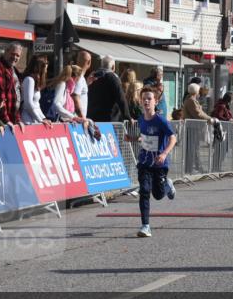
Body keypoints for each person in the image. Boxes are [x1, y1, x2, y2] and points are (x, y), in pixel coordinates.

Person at [134, 86, 177, 238]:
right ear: (140, 101)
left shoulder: (160, 120)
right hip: (145, 162)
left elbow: (173, 137)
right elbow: (145, 137)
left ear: (156, 101)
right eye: (144, 98)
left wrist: (164, 153)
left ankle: (168, 185)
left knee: (158, 195)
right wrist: (135, 139)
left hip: (159, 163)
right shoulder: (141, 118)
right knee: (144, 191)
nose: (146, 101)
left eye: (149, 98)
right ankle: (145, 226)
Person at [182, 82, 215, 174]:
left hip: (194, 127)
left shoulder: (192, 100)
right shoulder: (191, 100)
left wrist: (209, 118)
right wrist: (210, 119)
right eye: (199, 90)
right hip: (192, 127)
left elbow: (200, 113)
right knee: (191, 149)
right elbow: (198, 113)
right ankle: (190, 169)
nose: (200, 92)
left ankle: (195, 167)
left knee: (194, 149)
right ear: (196, 91)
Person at [88, 56, 132, 123]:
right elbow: (121, 98)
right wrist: (128, 117)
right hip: (109, 119)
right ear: (113, 67)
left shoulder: (92, 76)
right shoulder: (113, 78)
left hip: (92, 118)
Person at [20, 54, 48, 124]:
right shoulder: (29, 80)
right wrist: (40, 120)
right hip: (27, 120)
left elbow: (36, 105)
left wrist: (43, 118)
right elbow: (28, 103)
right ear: (40, 66)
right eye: (46, 63)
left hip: (34, 119)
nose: (47, 66)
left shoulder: (35, 81)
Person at [70, 50, 92, 120]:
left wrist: (87, 83)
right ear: (89, 63)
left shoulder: (77, 76)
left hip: (75, 118)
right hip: (78, 120)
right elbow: (75, 96)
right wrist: (83, 118)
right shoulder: (80, 78)